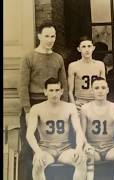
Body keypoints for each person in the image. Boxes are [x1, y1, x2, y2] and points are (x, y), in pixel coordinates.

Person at [18, 21, 68, 180]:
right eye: (47, 36)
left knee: (52, 146)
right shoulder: (29, 57)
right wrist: (27, 110)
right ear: (39, 36)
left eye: (53, 36)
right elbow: (22, 86)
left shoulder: (58, 58)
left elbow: (64, 86)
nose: (50, 39)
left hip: (53, 106)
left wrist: (64, 107)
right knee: (29, 146)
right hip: (33, 105)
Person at [26, 77, 87, 180]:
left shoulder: (70, 107)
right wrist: (37, 151)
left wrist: (79, 148)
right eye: (51, 90)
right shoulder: (36, 108)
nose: (54, 94)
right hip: (45, 149)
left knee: (81, 160)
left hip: (64, 149)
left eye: (57, 90)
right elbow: (30, 134)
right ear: (45, 92)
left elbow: (78, 130)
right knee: (38, 163)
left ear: (61, 91)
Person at [80, 77, 114, 180]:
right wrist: (86, 145)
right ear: (92, 90)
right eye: (96, 88)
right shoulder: (85, 108)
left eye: (103, 87)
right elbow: (82, 134)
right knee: (88, 156)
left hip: (110, 148)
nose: (100, 91)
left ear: (108, 90)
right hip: (93, 147)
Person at [68, 36, 106, 111]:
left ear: (93, 48)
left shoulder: (100, 65)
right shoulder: (73, 66)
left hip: (96, 101)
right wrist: (73, 106)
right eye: (83, 47)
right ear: (79, 49)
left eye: (89, 46)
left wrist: (103, 105)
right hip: (80, 102)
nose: (87, 49)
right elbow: (70, 91)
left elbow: (104, 88)